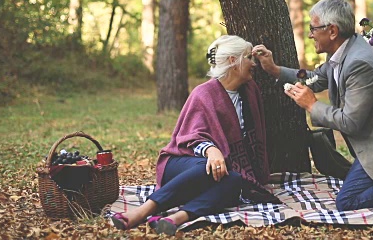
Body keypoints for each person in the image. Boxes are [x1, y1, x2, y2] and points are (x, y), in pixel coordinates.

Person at [253, 0, 373, 211]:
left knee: (348, 202)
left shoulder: (359, 63)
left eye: (313, 28)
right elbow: (314, 78)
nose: (310, 34)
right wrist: (274, 69)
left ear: (332, 31)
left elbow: (350, 122)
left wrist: (312, 105)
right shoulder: (342, 52)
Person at [111, 35, 278, 235]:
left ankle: (175, 218)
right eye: (248, 58)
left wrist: (273, 66)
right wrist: (211, 149)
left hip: (220, 168)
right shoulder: (204, 93)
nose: (253, 64)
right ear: (233, 61)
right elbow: (188, 138)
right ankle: (144, 210)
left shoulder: (250, 92)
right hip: (182, 163)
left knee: (235, 181)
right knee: (206, 166)